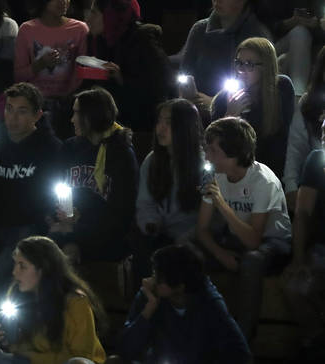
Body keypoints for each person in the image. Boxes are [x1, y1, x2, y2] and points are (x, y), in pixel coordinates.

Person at [197, 116, 292, 340]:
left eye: (212, 150)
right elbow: (201, 229)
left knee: (252, 260)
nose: (207, 156)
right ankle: (199, 334)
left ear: (233, 154)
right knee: (188, 249)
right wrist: (220, 255)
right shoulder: (213, 172)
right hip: (235, 236)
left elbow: (254, 241)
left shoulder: (262, 181)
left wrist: (220, 202)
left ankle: (243, 341)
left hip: (273, 241)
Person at [0, 83, 61, 286]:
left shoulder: (50, 149)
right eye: (9, 109)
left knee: (0, 271)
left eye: (21, 111)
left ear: (37, 115)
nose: (12, 118)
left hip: (28, 225)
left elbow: (46, 200)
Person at [116, 244, 252, 364]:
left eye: (159, 277)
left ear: (180, 286)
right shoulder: (150, 295)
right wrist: (148, 311)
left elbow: (239, 354)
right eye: (154, 273)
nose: (153, 280)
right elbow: (125, 350)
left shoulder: (209, 302)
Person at [0, 235, 106, 364]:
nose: (14, 272)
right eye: (15, 264)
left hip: (63, 362)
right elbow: (19, 349)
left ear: (44, 269)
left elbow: (83, 355)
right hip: (31, 360)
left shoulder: (75, 302)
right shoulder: (16, 295)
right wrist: (7, 341)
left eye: (22, 266)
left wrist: (30, 357)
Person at [51, 87, 138, 263]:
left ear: (91, 117)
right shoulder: (69, 148)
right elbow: (53, 191)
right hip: (69, 228)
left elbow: (122, 213)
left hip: (104, 234)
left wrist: (79, 224)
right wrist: (63, 217)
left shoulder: (120, 153)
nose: (72, 119)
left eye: (77, 113)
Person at [210, 37, 296, 185]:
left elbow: (283, 142)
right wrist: (229, 117)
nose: (241, 70)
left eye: (249, 64)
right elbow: (213, 148)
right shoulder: (224, 98)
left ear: (266, 67)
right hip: (234, 176)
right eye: (238, 63)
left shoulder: (281, 88)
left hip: (270, 176)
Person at [179, 0, 271, 106]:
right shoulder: (199, 29)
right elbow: (186, 70)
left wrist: (215, 102)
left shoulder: (256, 34)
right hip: (196, 104)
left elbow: (257, 88)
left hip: (236, 110)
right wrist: (187, 95)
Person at [134, 99, 205, 278]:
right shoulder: (152, 161)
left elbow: (214, 218)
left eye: (169, 122)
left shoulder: (204, 165)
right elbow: (145, 203)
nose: (161, 128)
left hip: (191, 237)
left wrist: (188, 237)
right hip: (160, 233)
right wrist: (151, 224)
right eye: (159, 121)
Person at [84, 0, 168, 133]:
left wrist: (122, 78)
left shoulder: (143, 41)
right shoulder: (100, 39)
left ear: (111, 16)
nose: (88, 20)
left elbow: (158, 88)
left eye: (94, 13)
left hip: (141, 122)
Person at [14, 0, 88, 127]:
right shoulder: (27, 30)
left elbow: (81, 73)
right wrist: (40, 64)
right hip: (35, 103)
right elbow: (18, 75)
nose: (63, 1)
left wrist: (67, 97)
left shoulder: (80, 29)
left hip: (70, 103)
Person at [283, 131, 325, 356]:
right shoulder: (317, 160)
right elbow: (302, 213)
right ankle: (315, 340)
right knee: (295, 286)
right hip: (320, 250)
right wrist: (298, 258)